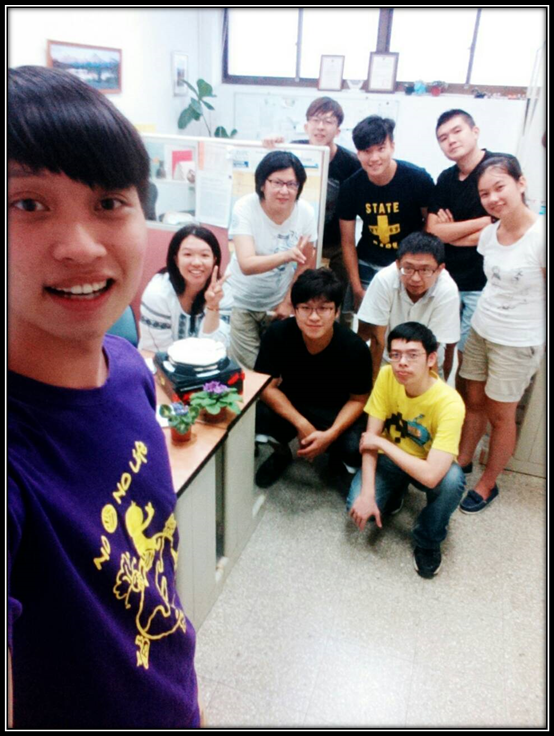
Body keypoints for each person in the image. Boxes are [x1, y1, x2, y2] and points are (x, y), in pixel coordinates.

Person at [8, 66, 200, 728]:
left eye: (109, 202)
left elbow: (149, 581)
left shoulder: (128, 371)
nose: (81, 247)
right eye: (27, 204)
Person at [456, 155, 545, 513]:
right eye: (484, 193)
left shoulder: (541, 236)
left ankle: (488, 482)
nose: (492, 198)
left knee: (500, 415)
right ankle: (462, 462)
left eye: (499, 187)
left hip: (518, 340)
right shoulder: (489, 234)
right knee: (473, 401)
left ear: (520, 184)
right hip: (482, 329)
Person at [347, 322, 466, 578]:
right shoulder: (386, 376)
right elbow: (369, 441)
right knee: (357, 504)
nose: (402, 363)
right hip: (391, 460)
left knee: (453, 480)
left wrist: (382, 443)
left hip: (425, 463)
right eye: (396, 355)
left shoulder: (450, 403)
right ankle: (396, 490)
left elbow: (431, 475)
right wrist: (367, 493)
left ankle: (428, 541)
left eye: (412, 355)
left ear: (431, 359)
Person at [253, 268, 372, 488]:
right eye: (305, 308)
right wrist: (301, 423)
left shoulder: (355, 348)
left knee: (355, 446)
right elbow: (265, 387)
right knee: (256, 417)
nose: (314, 317)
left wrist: (331, 434)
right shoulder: (277, 334)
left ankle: (335, 458)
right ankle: (281, 454)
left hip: (336, 409)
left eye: (324, 308)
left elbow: (359, 400)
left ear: (336, 311)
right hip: (294, 403)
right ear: (295, 310)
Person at [426, 109, 509, 394]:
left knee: (469, 357)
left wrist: (453, 232)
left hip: (482, 283)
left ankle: (461, 409)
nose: (450, 140)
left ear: (475, 131)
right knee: (439, 349)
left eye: (457, 131)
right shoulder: (446, 179)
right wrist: (484, 222)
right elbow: (434, 231)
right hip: (446, 279)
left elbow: (502, 228)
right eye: (443, 138)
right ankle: (439, 405)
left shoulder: (499, 168)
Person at [227, 150, 317, 369]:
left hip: (278, 304)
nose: (284, 190)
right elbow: (246, 264)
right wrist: (287, 255)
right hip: (242, 301)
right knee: (249, 372)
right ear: (262, 184)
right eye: (277, 182)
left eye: (292, 184)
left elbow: (306, 263)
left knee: (276, 369)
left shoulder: (305, 212)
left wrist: (288, 301)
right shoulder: (245, 207)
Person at [338, 115, 435, 310]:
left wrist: (418, 265)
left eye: (381, 149)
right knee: (364, 323)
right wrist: (356, 288)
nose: (374, 158)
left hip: (409, 263)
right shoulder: (351, 187)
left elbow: (430, 227)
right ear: (358, 153)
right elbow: (347, 242)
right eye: (366, 151)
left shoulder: (418, 179)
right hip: (368, 262)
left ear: (392, 146)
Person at [263, 97, 361, 291]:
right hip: (295, 236)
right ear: (306, 126)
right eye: (315, 120)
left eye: (328, 121)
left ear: (338, 130)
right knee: (294, 290)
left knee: (335, 292)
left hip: (334, 242)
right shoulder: (290, 152)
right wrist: (270, 144)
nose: (320, 127)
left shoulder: (350, 163)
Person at [357, 232, 460, 385]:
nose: (415, 278)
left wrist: (429, 392)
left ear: (440, 269)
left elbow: (433, 348)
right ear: (398, 264)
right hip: (388, 360)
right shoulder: (384, 279)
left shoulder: (447, 289)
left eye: (425, 270)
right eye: (408, 268)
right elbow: (378, 340)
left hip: (426, 362)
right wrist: (373, 386)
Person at [139, 223, 232, 353]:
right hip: (158, 361)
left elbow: (215, 348)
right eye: (188, 254)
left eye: (204, 255)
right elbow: (158, 353)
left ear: (214, 260)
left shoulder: (222, 292)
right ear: (176, 259)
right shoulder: (158, 293)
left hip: (204, 362)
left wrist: (213, 307)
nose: (196, 262)